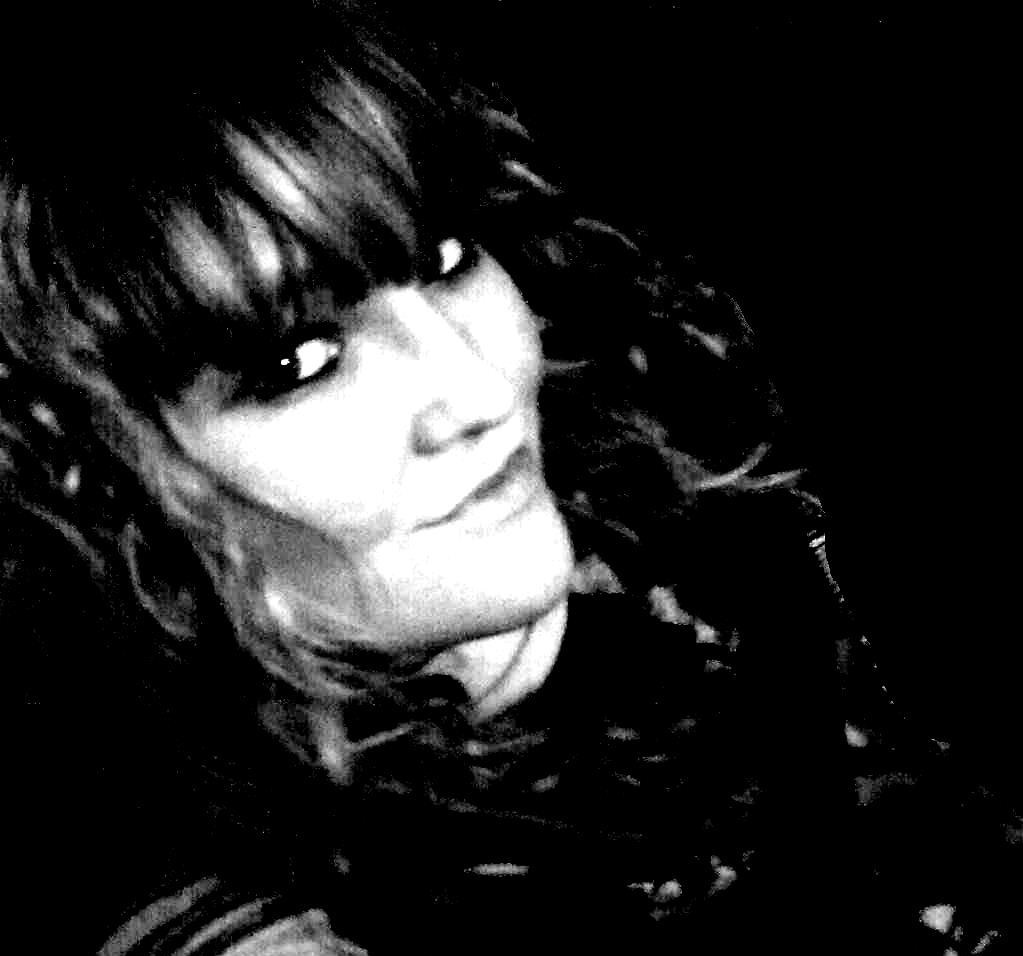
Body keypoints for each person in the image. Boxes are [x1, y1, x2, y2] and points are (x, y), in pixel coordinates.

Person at [2, 3, 1017, 953]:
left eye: (445, 257)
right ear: (96, 483)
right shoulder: (214, 900)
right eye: (297, 360)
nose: (479, 387)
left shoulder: (676, 519)